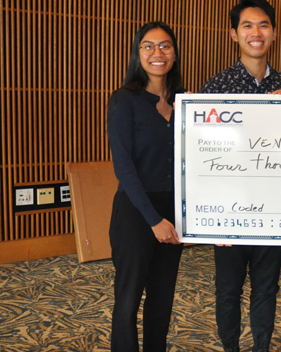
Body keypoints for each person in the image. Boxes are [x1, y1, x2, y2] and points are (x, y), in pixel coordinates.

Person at [200, 0, 281, 352]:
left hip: (274, 209)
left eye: (263, 25)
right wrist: (212, 218)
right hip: (230, 210)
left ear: (274, 33)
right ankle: (230, 347)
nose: (256, 33)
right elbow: (205, 159)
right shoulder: (215, 88)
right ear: (233, 34)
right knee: (227, 289)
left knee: (267, 287)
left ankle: (261, 346)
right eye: (247, 25)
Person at [107, 21, 184, 352]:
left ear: (175, 53)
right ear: (138, 54)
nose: (158, 53)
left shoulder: (185, 102)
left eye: (165, 46)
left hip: (174, 210)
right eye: (148, 46)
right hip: (137, 211)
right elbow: (123, 166)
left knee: (163, 296)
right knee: (129, 297)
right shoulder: (125, 100)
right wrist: (154, 220)